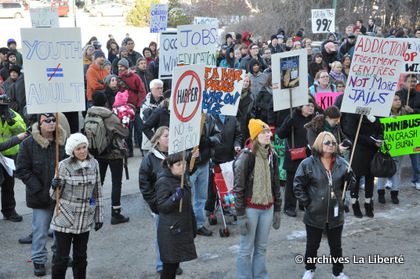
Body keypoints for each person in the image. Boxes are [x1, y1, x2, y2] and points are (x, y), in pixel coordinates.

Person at [294, 132, 354, 279]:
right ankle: (309, 268)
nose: (331, 145)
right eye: (327, 142)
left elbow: (351, 184)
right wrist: (307, 203)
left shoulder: (342, 163)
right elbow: (297, 185)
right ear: (319, 144)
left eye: (333, 143)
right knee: (312, 245)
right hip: (315, 212)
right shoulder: (307, 163)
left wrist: (350, 179)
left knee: (336, 246)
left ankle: (338, 272)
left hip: (335, 211)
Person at [15, 113, 67, 277]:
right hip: (40, 196)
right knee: (40, 230)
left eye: (53, 120)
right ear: (40, 123)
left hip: (61, 195)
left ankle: (60, 256)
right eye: (47, 120)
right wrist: (39, 188)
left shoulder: (63, 142)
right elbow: (22, 169)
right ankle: (38, 259)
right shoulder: (28, 144)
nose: (51, 123)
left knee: (62, 230)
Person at [50, 133, 104, 279]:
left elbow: (97, 192)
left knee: (81, 257)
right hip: (65, 217)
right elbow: (53, 196)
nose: (82, 151)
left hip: (85, 218)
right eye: (78, 148)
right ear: (72, 151)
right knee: (61, 258)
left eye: (84, 147)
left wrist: (99, 216)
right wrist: (55, 186)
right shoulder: (63, 165)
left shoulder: (94, 164)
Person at [234, 119, 281, 279]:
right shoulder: (246, 157)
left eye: (268, 131)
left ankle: (261, 276)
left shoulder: (272, 155)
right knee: (246, 249)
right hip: (251, 208)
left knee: (261, 248)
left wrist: (278, 209)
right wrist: (240, 215)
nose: (269, 134)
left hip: (268, 207)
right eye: (264, 132)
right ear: (255, 136)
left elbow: (276, 184)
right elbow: (238, 188)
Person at [139, 127, 184, 276]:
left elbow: (184, 174)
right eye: (166, 136)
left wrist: (193, 160)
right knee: (163, 237)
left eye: (171, 135)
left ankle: (173, 262)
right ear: (158, 139)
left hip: (176, 203)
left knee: (176, 234)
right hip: (161, 206)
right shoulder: (150, 159)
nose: (169, 138)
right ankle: (161, 265)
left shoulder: (176, 154)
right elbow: (144, 184)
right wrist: (155, 204)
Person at [86, 91, 130, 224]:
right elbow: (124, 132)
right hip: (114, 153)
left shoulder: (89, 114)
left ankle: (91, 209)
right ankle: (115, 213)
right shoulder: (110, 116)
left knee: (97, 183)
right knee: (116, 182)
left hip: (97, 152)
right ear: (106, 102)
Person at [156, 153, 197, 279]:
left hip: (180, 229)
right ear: (170, 166)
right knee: (169, 268)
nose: (182, 167)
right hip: (170, 231)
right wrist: (174, 198)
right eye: (178, 164)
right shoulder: (163, 182)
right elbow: (162, 207)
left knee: (174, 265)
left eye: (184, 163)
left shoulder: (182, 178)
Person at [277, 100, 315, 217]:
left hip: (309, 155)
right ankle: (289, 206)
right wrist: (289, 123)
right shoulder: (292, 116)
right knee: (292, 182)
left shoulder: (314, 119)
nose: (310, 108)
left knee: (307, 181)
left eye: (312, 105)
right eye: (308, 105)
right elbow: (280, 134)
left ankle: (304, 203)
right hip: (295, 155)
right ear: (300, 106)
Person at [343, 114, 383, 218]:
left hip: (372, 151)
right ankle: (355, 203)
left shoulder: (375, 115)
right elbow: (352, 134)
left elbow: (380, 129)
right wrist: (372, 141)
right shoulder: (352, 116)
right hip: (358, 151)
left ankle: (368, 204)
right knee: (356, 178)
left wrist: (379, 139)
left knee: (370, 177)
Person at [189, 114, 221, 236]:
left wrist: (208, 140)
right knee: (187, 197)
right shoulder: (185, 116)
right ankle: (188, 225)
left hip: (204, 163)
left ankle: (199, 224)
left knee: (201, 197)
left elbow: (218, 136)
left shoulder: (208, 117)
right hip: (189, 164)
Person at [377, 93, 407, 204]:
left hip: (399, 146)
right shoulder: (383, 113)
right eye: (395, 100)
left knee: (397, 171)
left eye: (399, 99)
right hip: (386, 146)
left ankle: (395, 193)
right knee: (383, 170)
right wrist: (389, 120)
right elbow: (378, 126)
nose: (398, 101)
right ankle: (381, 193)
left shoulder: (404, 112)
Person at [0, 95, 26, 222]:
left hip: (8, 156)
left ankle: (9, 210)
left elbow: (22, 130)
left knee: (8, 185)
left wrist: (11, 121)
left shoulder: (11, 114)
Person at [396, 74, 420, 190]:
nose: (413, 84)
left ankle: (417, 179)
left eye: (414, 81)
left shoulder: (419, 95)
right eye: (410, 81)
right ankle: (392, 179)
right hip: (400, 131)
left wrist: (413, 111)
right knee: (396, 158)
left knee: (416, 157)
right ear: (404, 82)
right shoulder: (398, 95)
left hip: (414, 132)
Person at [236, 75, 255, 144]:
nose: (246, 83)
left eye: (247, 81)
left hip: (246, 125)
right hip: (235, 124)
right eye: (244, 81)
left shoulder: (251, 96)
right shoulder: (234, 94)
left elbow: (253, 110)